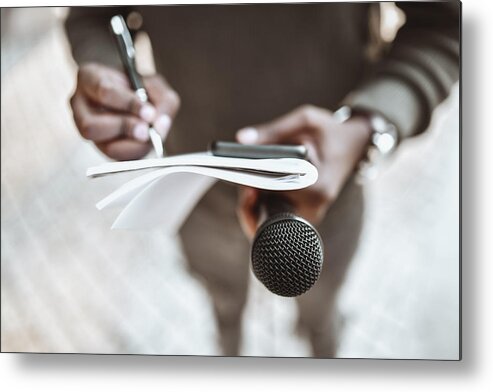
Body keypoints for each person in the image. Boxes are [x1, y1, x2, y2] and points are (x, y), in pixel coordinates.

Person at [65, 2, 460, 357]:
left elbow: (446, 26)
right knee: (221, 299)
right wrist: (112, 83)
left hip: (324, 201)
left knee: (321, 309)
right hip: (198, 195)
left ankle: (324, 347)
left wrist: (369, 125)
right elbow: (94, 16)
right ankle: (229, 346)